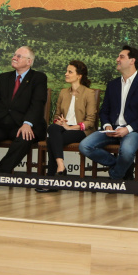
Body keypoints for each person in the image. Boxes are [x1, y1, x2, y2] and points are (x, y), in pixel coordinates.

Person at [0, 46, 48, 189]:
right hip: (1, 124)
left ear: (29, 61)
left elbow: (38, 104)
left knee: (25, 136)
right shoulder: (4, 77)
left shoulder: (38, 78)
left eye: (19, 56)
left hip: (24, 124)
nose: (14, 57)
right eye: (14, 55)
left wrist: (27, 123)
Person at [79, 45, 138, 180]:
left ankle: (115, 177)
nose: (117, 59)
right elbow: (104, 111)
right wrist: (107, 125)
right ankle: (123, 166)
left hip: (136, 131)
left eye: (121, 57)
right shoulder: (112, 84)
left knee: (126, 152)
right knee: (84, 146)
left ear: (132, 61)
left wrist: (127, 129)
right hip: (112, 130)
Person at [35, 61, 98, 193]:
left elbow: (90, 122)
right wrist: (59, 121)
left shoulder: (89, 93)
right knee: (53, 128)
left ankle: (51, 179)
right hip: (63, 129)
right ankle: (60, 166)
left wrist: (71, 127)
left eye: (70, 72)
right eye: (66, 71)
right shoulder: (63, 92)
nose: (66, 74)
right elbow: (57, 115)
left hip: (81, 131)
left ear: (79, 76)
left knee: (52, 139)